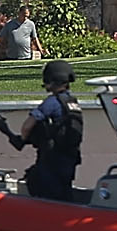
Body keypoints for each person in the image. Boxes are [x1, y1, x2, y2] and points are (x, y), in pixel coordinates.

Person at [22, 59, 87, 202]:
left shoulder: (52, 102)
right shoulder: (72, 102)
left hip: (52, 159)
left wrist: (24, 139)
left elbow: (27, 127)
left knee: (44, 194)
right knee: (65, 195)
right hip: (69, 158)